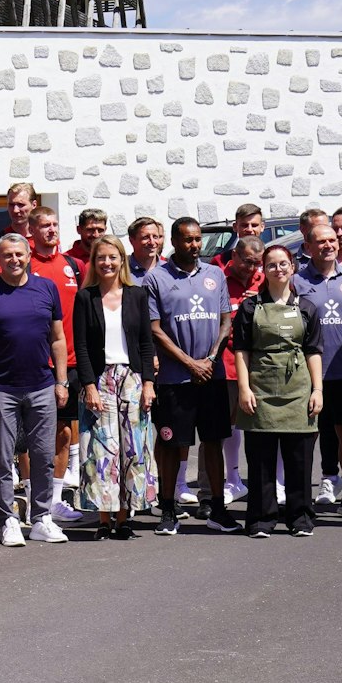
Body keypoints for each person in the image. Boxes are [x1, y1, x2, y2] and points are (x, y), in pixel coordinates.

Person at [0, 233, 71, 546]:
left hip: (41, 384)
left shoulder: (47, 288)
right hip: (0, 387)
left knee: (42, 455)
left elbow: (58, 338)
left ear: (28, 256)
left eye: (19, 254)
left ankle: (41, 518)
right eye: (7, 255)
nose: (14, 260)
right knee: (0, 458)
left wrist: (62, 380)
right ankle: (8, 520)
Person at [145, 217, 237, 534]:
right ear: (174, 241)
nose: (194, 245)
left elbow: (226, 321)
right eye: (188, 240)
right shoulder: (156, 278)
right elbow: (155, 330)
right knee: (172, 445)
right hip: (175, 379)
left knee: (213, 441)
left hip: (212, 375)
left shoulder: (214, 274)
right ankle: (168, 510)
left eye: (197, 239)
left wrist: (209, 359)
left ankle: (217, 508)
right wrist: (189, 362)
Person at [233, 245, 325, 537]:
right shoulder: (250, 307)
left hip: (298, 388)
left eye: (283, 263)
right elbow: (241, 351)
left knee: (300, 458)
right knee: (260, 459)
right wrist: (244, 388)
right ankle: (261, 519)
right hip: (260, 387)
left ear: (293, 267)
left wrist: (317, 389)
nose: (278, 269)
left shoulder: (307, 307)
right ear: (264, 270)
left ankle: (300, 518)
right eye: (271, 265)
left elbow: (313, 351)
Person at [72, 235, 156, 538]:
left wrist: (148, 383)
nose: (107, 263)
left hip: (132, 379)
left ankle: (124, 517)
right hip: (99, 379)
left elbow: (146, 343)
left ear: (122, 260)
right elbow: (80, 346)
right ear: (93, 262)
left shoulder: (137, 295)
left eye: (113, 257)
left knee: (132, 449)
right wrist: (89, 386)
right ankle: (104, 518)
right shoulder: (85, 298)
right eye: (101, 258)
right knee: (101, 449)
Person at [296, 222, 342, 519]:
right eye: (321, 241)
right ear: (309, 246)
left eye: (332, 240)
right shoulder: (297, 281)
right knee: (305, 437)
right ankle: (301, 500)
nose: (329, 245)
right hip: (308, 374)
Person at [28, 206, 85, 524]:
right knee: (29, 436)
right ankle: (29, 497)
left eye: (54, 225)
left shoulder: (71, 265)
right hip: (35, 363)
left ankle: (54, 500)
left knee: (63, 432)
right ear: (32, 231)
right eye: (44, 226)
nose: (51, 230)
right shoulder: (26, 264)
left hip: (70, 362)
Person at [217, 236, 266, 505]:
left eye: (256, 263)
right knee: (231, 422)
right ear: (234, 256)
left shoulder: (265, 279)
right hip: (228, 362)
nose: (251, 268)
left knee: (264, 425)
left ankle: (269, 482)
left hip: (263, 363)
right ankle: (232, 479)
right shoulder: (219, 280)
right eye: (247, 261)